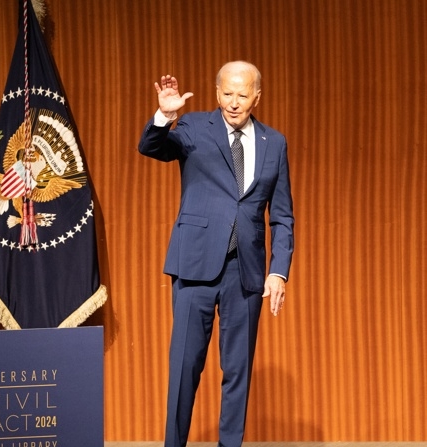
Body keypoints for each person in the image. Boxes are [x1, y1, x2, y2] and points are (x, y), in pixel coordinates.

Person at [138, 61, 294, 447]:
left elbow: (283, 216)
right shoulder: (192, 128)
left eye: (243, 95)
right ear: (216, 92)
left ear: (257, 96)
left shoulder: (273, 142)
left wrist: (279, 271)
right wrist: (164, 116)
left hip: (246, 272)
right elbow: (151, 147)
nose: (234, 103)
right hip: (194, 267)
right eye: (227, 93)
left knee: (238, 371)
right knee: (184, 368)